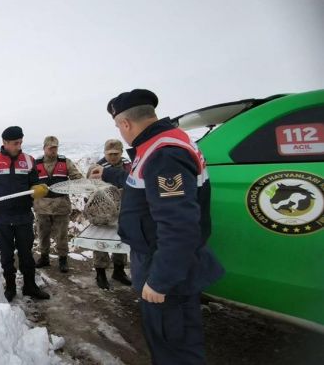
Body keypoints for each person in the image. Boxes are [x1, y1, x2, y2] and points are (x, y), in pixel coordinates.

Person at [90, 89, 224, 365]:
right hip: (161, 259)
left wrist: (161, 280)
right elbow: (141, 179)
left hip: (165, 267)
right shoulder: (160, 145)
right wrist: (107, 173)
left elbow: (179, 226)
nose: (120, 131)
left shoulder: (164, 154)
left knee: (173, 346)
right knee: (168, 339)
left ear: (126, 123)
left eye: (118, 126)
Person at [0, 126, 51, 302]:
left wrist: (37, 189)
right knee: (6, 255)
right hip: (2, 218)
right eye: (15, 143)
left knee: (26, 255)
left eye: (21, 142)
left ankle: (30, 286)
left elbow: (35, 183)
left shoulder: (29, 161)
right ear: (4, 143)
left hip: (23, 217)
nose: (19, 146)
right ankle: (11, 287)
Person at [33, 136, 83, 273]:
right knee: (43, 234)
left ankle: (63, 259)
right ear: (44, 148)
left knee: (61, 235)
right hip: (42, 206)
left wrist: (71, 185)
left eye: (55, 147)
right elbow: (28, 183)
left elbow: (77, 178)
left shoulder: (65, 162)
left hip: (61, 206)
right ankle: (44, 258)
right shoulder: (35, 164)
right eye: (50, 148)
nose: (53, 150)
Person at [88, 139, 132, 289]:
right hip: (102, 211)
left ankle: (119, 271)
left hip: (124, 209)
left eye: (116, 153)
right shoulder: (97, 168)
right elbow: (88, 189)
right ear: (105, 153)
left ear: (121, 152)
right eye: (110, 154)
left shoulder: (128, 165)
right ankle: (100, 273)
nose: (113, 157)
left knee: (121, 239)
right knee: (100, 242)